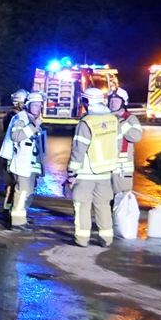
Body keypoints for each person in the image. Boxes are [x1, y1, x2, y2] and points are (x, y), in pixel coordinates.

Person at [66, 87, 118, 247]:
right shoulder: (112, 119)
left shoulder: (86, 122)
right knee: (103, 206)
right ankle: (106, 239)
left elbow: (79, 150)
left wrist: (71, 172)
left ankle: (82, 239)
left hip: (86, 173)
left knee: (82, 205)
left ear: (86, 102)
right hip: (105, 172)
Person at [5, 92, 47, 230]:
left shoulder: (33, 118)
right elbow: (16, 136)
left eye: (40, 104)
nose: (38, 107)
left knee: (28, 192)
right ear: (28, 105)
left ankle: (21, 217)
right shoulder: (21, 118)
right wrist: (34, 126)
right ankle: (17, 223)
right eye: (35, 104)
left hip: (32, 163)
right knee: (22, 191)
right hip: (22, 162)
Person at [108, 87, 144, 194]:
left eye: (116, 101)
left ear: (124, 103)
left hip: (121, 170)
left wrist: (120, 121)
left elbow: (136, 136)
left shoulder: (130, 119)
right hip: (105, 166)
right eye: (111, 100)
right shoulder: (106, 118)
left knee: (121, 202)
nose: (112, 103)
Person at [0, 89, 29, 210]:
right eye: (25, 102)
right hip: (11, 155)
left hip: (13, 155)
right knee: (11, 185)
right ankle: (8, 210)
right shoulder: (14, 117)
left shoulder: (14, 116)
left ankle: (10, 209)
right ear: (18, 103)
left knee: (13, 184)